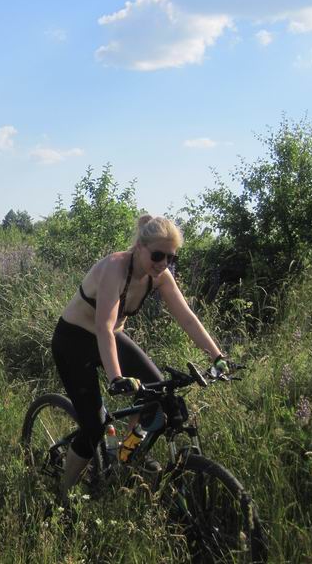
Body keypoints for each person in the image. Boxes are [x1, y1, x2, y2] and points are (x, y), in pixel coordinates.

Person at [51, 214, 231, 500]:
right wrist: (116, 377)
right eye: (158, 255)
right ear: (139, 247)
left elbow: (187, 319)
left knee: (157, 396)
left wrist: (217, 356)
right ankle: (61, 496)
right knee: (94, 426)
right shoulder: (115, 268)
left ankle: (126, 454)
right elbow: (104, 327)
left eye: (171, 258)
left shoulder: (160, 276)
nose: (163, 264)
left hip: (110, 337)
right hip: (74, 341)